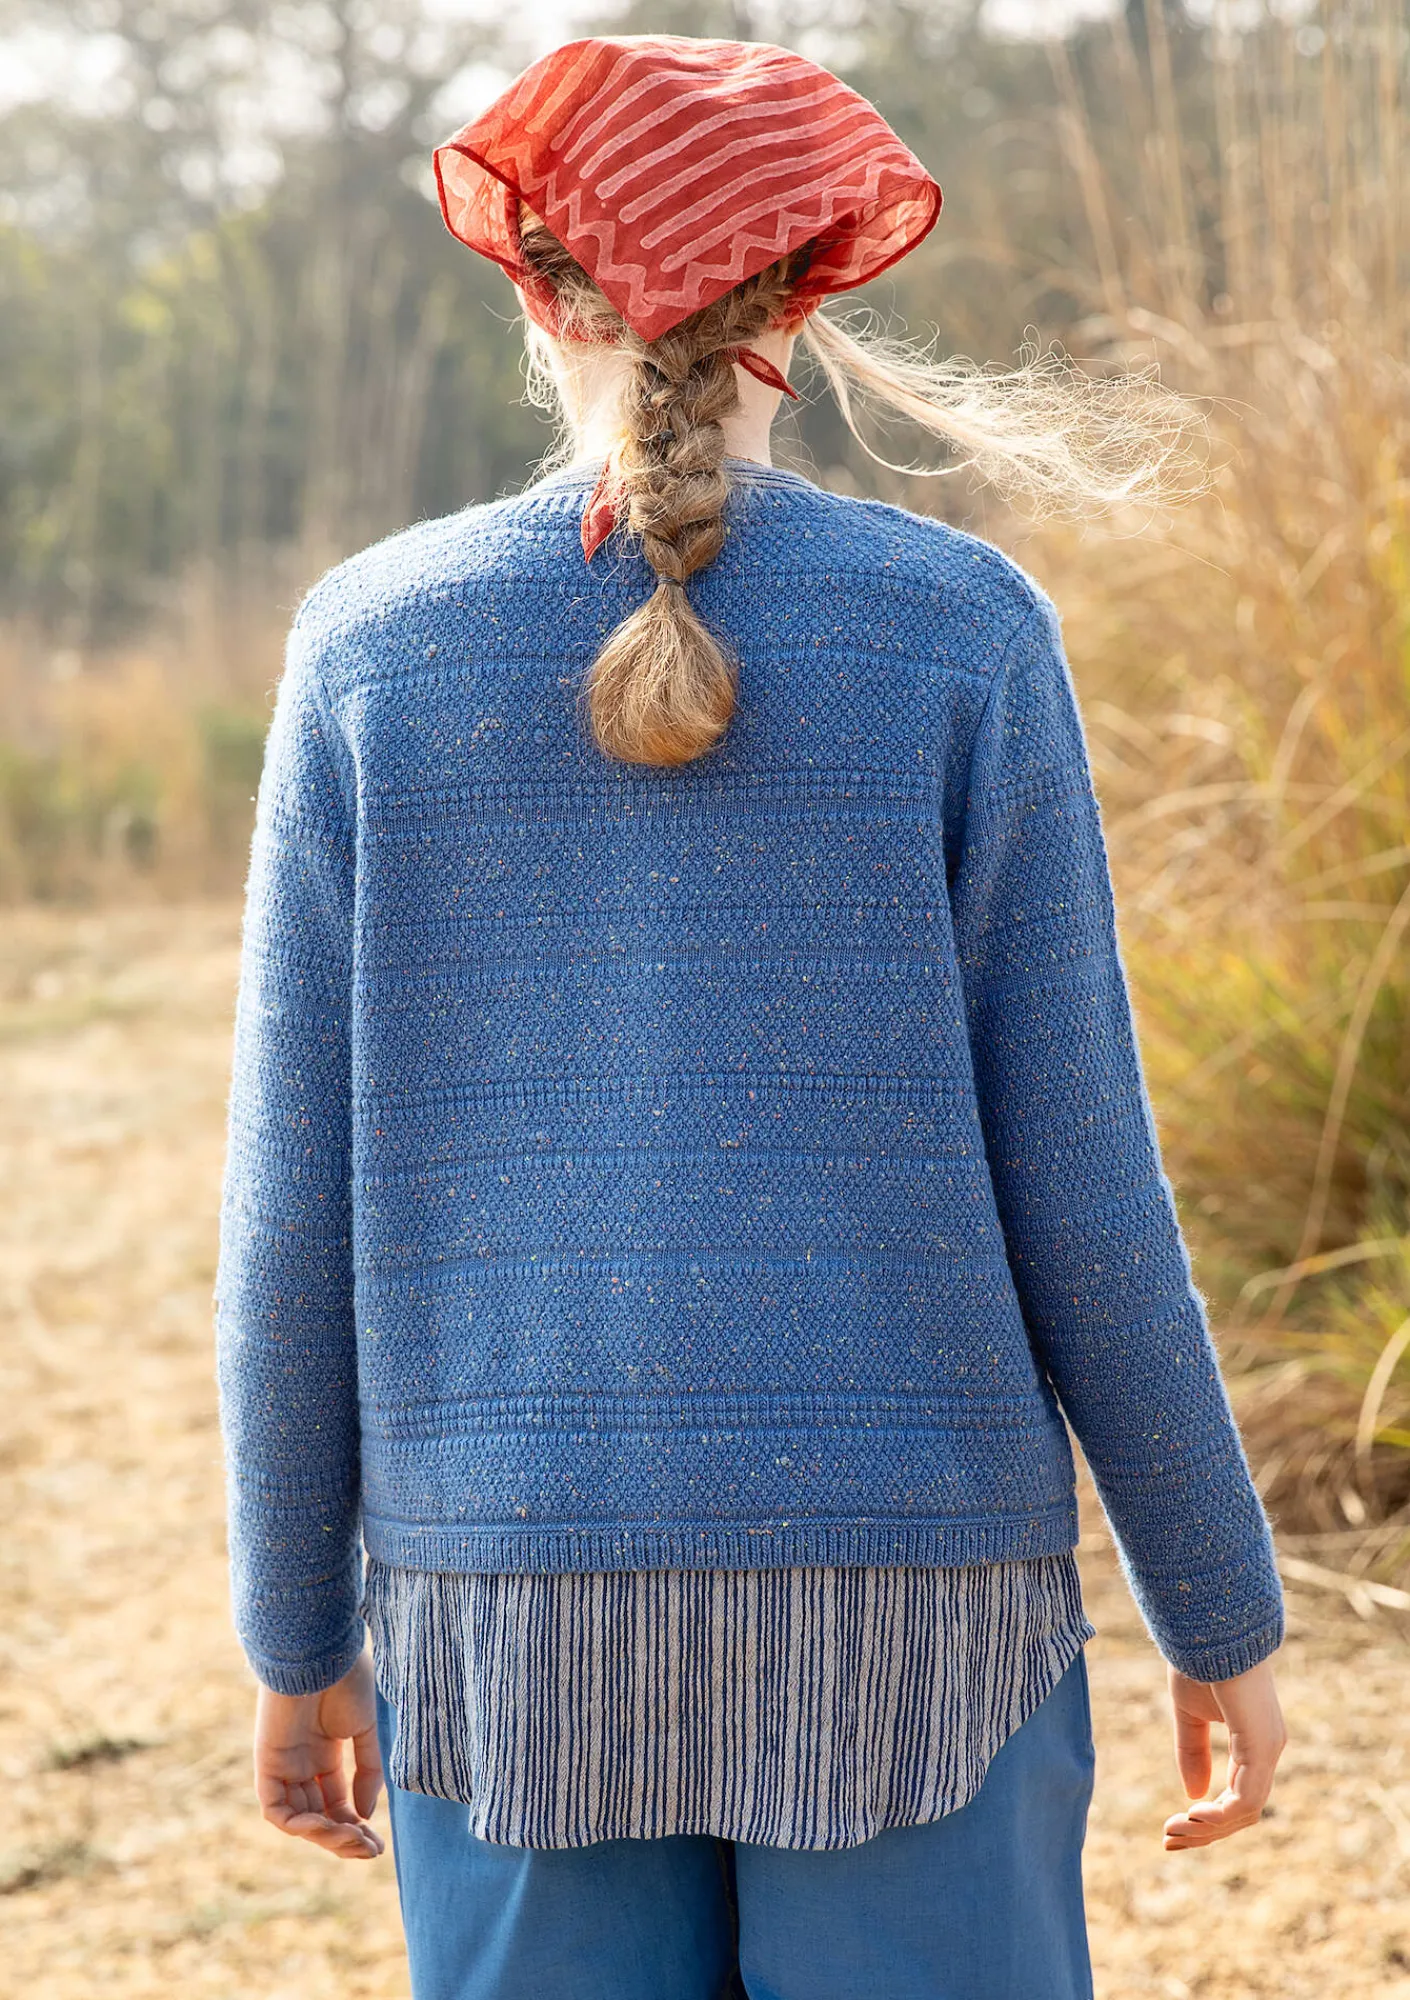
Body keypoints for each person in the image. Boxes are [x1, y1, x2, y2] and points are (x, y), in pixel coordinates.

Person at [214, 33, 1288, 2000]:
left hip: (510, 1602)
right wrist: (1215, 1604)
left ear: (532, 290)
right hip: (920, 1608)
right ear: (809, 293)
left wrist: (296, 1632)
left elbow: (295, 1217)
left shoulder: (369, 650)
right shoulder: (960, 633)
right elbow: (1083, 1185)